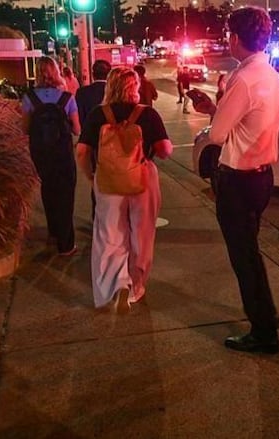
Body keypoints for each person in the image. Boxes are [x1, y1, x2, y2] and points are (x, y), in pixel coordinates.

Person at [192, 6, 279, 354]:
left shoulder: (242, 77)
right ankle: (267, 318)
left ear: (235, 37)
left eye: (228, 33)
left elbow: (216, 135)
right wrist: (217, 109)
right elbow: (245, 123)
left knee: (243, 257)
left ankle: (263, 330)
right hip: (262, 178)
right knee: (250, 252)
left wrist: (216, 114)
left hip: (239, 181)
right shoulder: (269, 74)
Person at [75, 66, 173, 311]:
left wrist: (92, 175)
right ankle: (136, 286)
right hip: (142, 179)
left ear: (110, 86)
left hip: (108, 180)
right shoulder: (148, 115)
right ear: (135, 87)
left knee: (109, 234)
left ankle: (115, 285)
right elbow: (165, 151)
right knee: (141, 234)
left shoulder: (98, 115)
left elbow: (82, 151)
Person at [21, 56, 81, 256]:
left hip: (41, 154)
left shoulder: (30, 97)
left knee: (48, 189)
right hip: (62, 153)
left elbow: (26, 128)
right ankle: (66, 244)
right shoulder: (66, 98)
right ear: (56, 71)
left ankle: (53, 233)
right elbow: (77, 130)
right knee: (66, 194)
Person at [75, 60, 112, 219]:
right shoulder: (113, 92)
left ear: (92, 72)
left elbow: (79, 120)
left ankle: (97, 215)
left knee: (95, 179)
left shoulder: (82, 93)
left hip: (92, 142)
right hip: (113, 142)